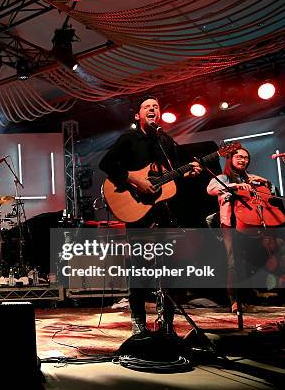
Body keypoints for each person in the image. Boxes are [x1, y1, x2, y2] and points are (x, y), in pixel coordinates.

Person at [99, 96, 201, 336]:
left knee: (170, 270)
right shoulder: (129, 138)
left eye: (156, 106)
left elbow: (171, 174)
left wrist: (188, 172)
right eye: (147, 107)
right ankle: (139, 323)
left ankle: (167, 323)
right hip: (138, 211)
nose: (153, 109)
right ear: (138, 115)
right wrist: (136, 180)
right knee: (139, 269)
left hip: (163, 212)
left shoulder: (165, 140)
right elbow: (106, 163)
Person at [206, 146, 275, 313]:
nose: (243, 159)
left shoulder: (251, 178)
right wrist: (235, 186)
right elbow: (210, 189)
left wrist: (266, 183)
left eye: (246, 158)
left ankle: (248, 295)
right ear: (231, 159)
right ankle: (235, 300)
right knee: (233, 262)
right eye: (239, 156)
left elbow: (270, 193)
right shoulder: (222, 177)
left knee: (255, 258)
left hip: (251, 224)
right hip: (230, 223)